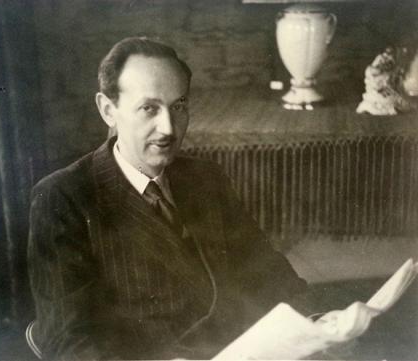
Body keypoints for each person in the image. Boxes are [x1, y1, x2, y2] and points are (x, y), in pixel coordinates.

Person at [27, 37, 378, 360]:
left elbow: (267, 272)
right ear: (108, 110)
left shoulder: (204, 177)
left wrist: (316, 326)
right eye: (149, 108)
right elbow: (69, 342)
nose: (168, 128)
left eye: (179, 106)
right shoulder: (64, 198)